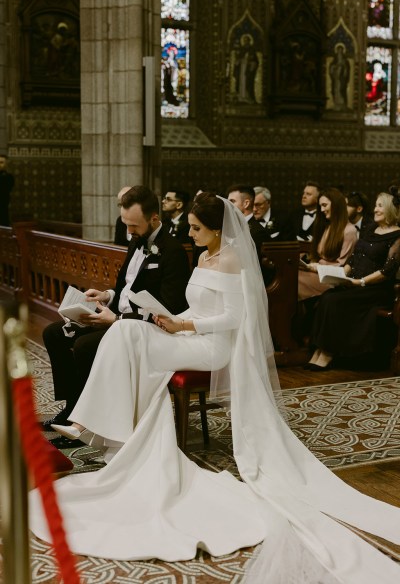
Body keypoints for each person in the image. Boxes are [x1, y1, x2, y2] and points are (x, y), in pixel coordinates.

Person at [30, 193, 400, 584]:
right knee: (126, 330)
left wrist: (183, 327)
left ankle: (97, 423)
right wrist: (170, 318)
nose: (189, 234)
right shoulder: (204, 256)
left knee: (127, 334)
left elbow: (231, 318)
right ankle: (98, 424)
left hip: (212, 348)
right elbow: (196, 307)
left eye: (195, 229)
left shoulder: (232, 259)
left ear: (217, 229)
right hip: (188, 333)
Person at [42, 186, 190, 429]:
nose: (128, 231)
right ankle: (72, 406)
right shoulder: (136, 240)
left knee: (84, 345)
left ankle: (91, 419)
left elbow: (169, 308)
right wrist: (107, 295)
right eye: (125, 224)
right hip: (116, 316)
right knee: (54, 333)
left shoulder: (173, 252)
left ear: (154, 218)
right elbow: (125, 286)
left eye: (133, 226)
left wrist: (118, 318)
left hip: (141, 328)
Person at [306, 187, 400, 371]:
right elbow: (353, 258)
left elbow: (386, 271)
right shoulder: (371, 228)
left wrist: (361, 282)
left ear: (390, 208)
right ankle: (318, 350)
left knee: (336, 301)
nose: (375, 209)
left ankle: (328, 352)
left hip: (375, 289)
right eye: (375, 205)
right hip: (356, 284)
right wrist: (342, 274)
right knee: (327, 297)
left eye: (380, 206)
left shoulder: (398, 236)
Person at [298, 187, 357, 301]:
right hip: (317, 273)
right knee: (290, 275)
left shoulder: (349, 231)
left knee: (292, 281)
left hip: (331, 280)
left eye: (324, 205)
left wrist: (315, 267)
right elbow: (317, 256)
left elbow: (342, 267)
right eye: (320, 206)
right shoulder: (327, 226)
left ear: (336, 205)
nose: (321, 209)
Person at [0, 154, 14, 226]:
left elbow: (5, 189)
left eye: (1, 162)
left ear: (6, 164)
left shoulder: (9, 177)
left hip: (2, 209)